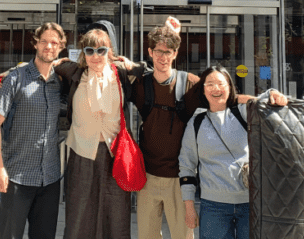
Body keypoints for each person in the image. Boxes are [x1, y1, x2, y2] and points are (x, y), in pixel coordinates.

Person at [132, 18, 283, 239]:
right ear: (150, 52)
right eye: (158, 51)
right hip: (147, 176)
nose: (162, 56)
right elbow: (112, 72)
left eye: (168, 51)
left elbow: (225, 97)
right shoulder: (140, 84)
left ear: (176, 53)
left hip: (177, 177)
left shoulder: (190, 83)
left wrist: (266, 97)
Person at [54, 25, 145, 239]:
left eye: (101, 50)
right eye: (90, 51)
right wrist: (3, 77)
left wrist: (132, 65)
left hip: (115, 155)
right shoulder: (73, 72)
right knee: (79, 215)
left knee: (116, 216)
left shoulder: (120, 73)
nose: (96, 56)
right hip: (82, 153)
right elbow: (40, 66)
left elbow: (153, 71)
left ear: (109, 51)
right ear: (83, 54)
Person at [179, 66, 287, 239]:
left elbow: (263, 101)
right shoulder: (196, 122)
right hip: (213, 206)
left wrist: (274, 93)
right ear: (203, 90)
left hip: (250, 203)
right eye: (210, 84)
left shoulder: (244, 113)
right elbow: (186, 166)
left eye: (221, 83)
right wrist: (189, 208)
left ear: (230, 88)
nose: (216, 89)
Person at [0, 23, 67, 239]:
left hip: (49, 178)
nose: (48, 46)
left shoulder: (59, 81)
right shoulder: (16, 78)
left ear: (60, 47)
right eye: (44, 41)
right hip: (17, 178)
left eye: (54, 43)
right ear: (35, 43)